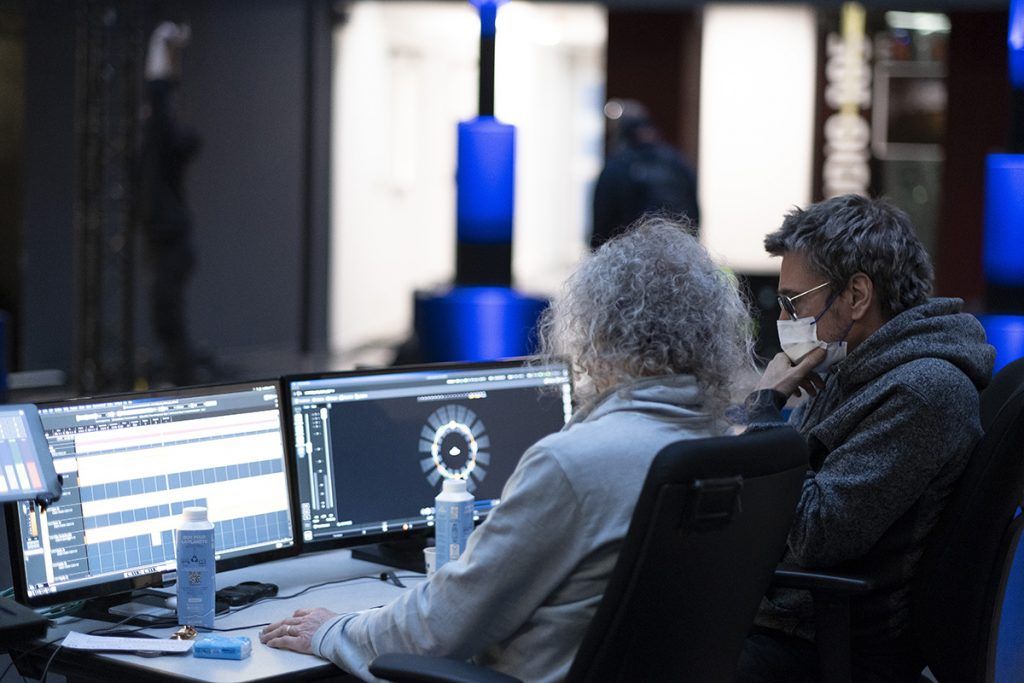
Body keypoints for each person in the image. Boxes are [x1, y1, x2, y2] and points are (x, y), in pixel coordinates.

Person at [260, 215, 755, 681]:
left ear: (598, 332)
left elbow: (435, 630)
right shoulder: (716, 446)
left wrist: (332, 630)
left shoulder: (575, 463)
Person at [738, 194, 995, 682]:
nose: (784, 321)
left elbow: (811, 535)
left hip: (818, 645)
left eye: (793, 302)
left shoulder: (923, 392)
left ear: (856, 296)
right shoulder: (850, 367)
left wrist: (765, 408)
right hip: (785, 617)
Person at [141, 21, 203, 385]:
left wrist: (159, 43)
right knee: (166, 321)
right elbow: (164, 96)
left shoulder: (166, 146)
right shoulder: (163, 145)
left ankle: (184, 384)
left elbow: (160, 94)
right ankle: (182, 379)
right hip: (166, 241)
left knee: (168, 320)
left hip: (170, 243)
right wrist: (172, 53)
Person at [590, 100, 700, 249]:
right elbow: (694, 212)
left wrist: (596, 256)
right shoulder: (676, 161)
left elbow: (602, 219)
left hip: (628, 256)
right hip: (677, 254)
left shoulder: (618, 165)